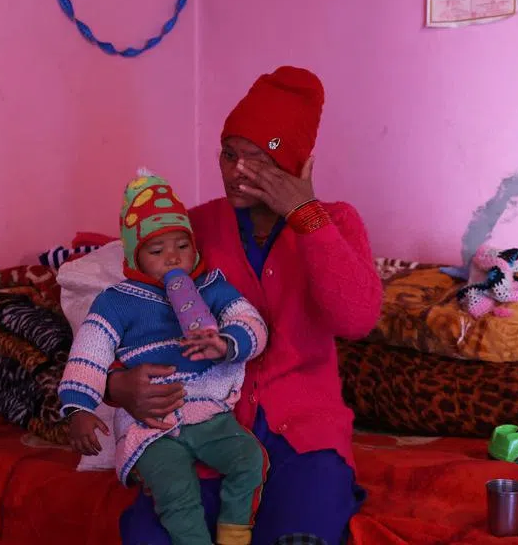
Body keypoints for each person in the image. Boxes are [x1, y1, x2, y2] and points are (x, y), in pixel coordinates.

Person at [114, 66, 384, 545]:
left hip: (305, 437)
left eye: (260, 160)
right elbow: (130, 317)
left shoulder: (335, 222)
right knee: (149, 534)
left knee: (299, 535)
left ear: (297, 165)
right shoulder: (190, 231)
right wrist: (119, 386)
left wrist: (306, 216)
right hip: (204, 427)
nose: (237, 171)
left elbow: (357, 319)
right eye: (229, 153)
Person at [61, 171, 270, 545]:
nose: (173, 257)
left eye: (182, 246)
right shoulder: (116, 301)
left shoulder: (211, 286)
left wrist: (226, 343)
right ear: (135, 257)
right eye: (157, 251)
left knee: (250, 460)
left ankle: (234, 535)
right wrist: (78, 408)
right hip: (150, 425)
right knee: (177, 491)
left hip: (208, 411)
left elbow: (250, 322)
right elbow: (87, 354)